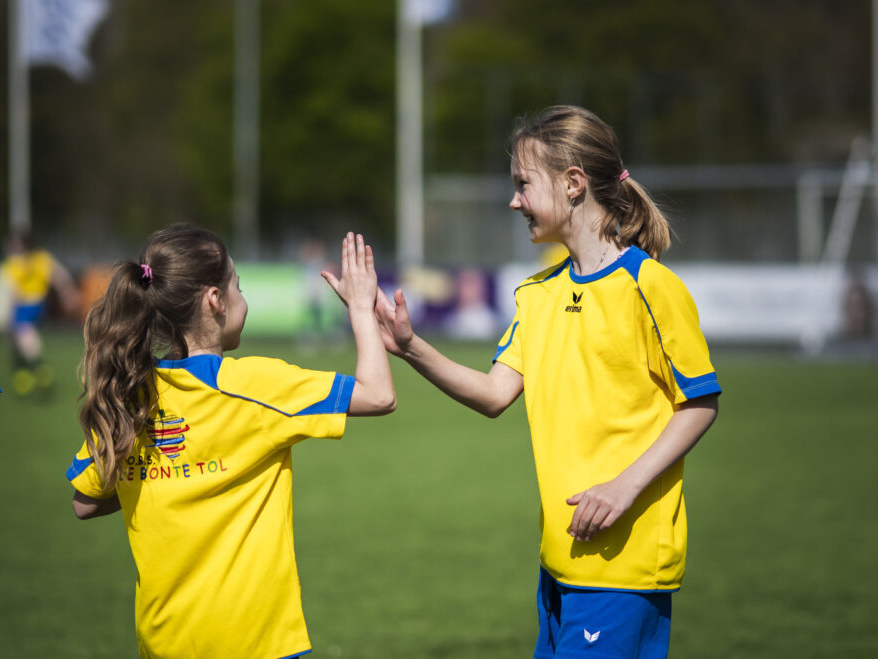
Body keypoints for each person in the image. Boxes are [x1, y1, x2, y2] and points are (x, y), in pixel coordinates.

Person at [374, 105, 721, 658]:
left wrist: (622, 486)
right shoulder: (537, 294)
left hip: (623, 567)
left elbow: (699, 402)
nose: (513, 201)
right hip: (559, 561)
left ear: (574, 184)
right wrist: (410, 346)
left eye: (523, 184)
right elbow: (493, 394)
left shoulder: (650, 287)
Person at [65, 226, 395, 658]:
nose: (243, 297)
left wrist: (166, 475)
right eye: (237, 285)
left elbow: (84, 502)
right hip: (256, 644)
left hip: (164, 644)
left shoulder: (131, 392)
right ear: (214, 300)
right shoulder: (254, 384)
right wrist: (360, 310)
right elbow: (380, 394)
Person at [0, 230, 79, 396]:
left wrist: (8, 315)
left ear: (20, 245)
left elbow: (13, 292)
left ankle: (40, 370)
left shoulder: (15, 263)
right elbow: (60, 276)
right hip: (39, 305)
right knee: (17, 343)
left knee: (26, 341)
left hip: (24, 307)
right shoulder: (41, 258)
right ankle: (24, 376)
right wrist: (68, 293)